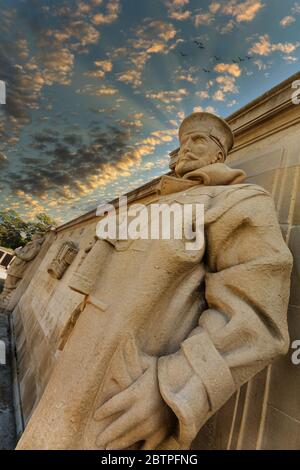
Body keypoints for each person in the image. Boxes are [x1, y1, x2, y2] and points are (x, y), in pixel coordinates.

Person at [16, 113, 293, 450]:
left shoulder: (240, 202)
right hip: (72, 375)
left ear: (219, 155)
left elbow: (257, 316)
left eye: (198, 140)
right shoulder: (152, 205)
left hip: (123, 400)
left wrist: (173, 391)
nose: (185, 148)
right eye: (183, 140)